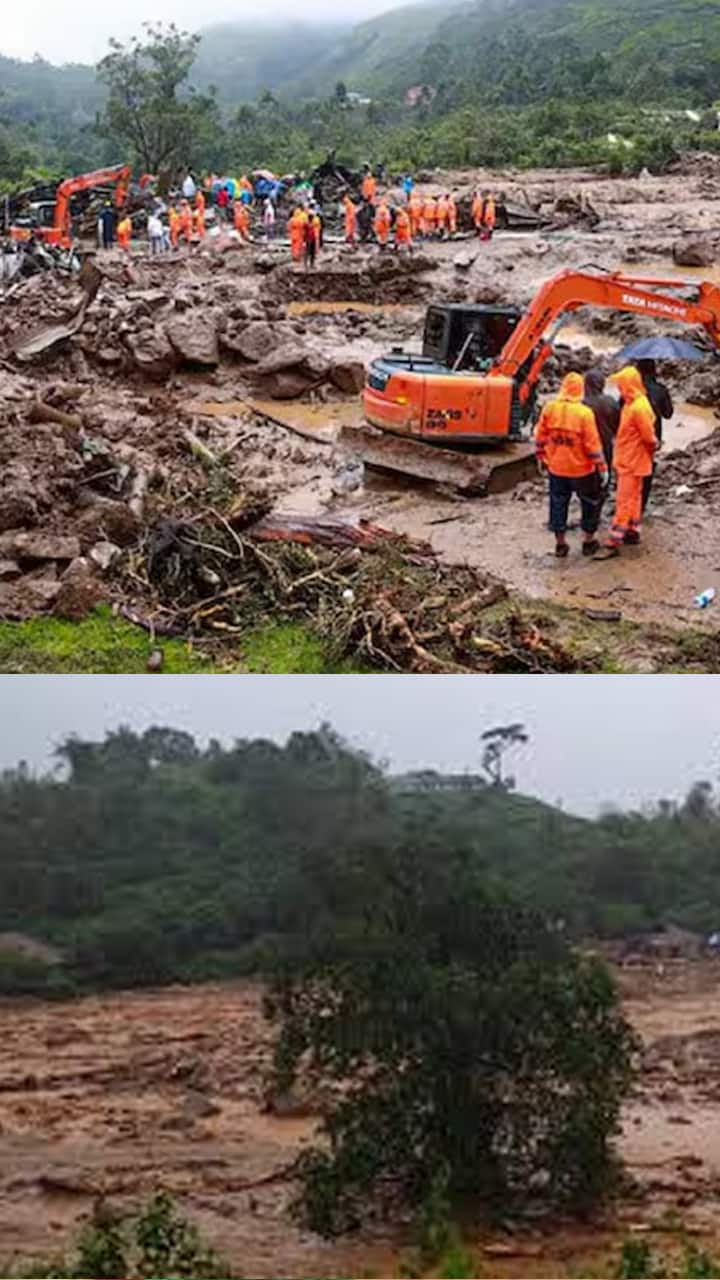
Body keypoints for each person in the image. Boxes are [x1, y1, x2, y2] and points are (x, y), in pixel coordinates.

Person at [534, 371, 608, 558]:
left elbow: (540, 436)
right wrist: (602, 467)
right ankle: (588, 541)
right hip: (582, 469)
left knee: (558, 502)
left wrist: (541, 457)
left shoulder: (550, 409)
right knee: (589, 503)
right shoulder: (584, 413)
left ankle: (560, 544)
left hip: (557, 467)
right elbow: (592, 445)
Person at [596, 365, 658, 558]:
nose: (619, 389)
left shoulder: (638, 407)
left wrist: (654, 445)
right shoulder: (634, 404)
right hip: (632, 459)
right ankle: (632, 530)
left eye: (621, 385)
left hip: (631, 461)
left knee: (624, 500)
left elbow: (649, 437)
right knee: (634, 497)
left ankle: (614, 541)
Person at [637, 358, 673, 511]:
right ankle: (642, 504)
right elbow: (668, 414)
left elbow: (620, 413)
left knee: (632, 470)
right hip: (653, 437)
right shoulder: (661, 390)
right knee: (647, 468)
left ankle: (631, 502)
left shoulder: (632, 389)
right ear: (654, 371)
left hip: (633, 437)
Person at [584, 367, 620, 472]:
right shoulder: (610, 402)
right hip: (605, 443)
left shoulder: (581, 404)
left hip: (585, 446)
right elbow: (618, 426)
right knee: (606, 473)